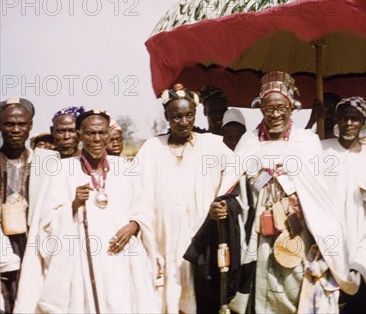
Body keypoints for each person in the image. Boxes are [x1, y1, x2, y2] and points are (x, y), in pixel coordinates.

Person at [209, 71, 359, 314]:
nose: (275, 114)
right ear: (261, 109)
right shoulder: (248, 142)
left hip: (297, 231)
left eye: (282, 108)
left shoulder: (306, 142)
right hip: (258, 233)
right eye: (269, 108)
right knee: (261, 288)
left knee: (296, 289)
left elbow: (319, 196)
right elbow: (231, 188)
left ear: (291, 108)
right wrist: (224, 204)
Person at [15, 110, 160, 313]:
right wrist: (73, 205)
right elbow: (45, 223)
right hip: (81, 262)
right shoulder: (61, 170)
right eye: (91, 134)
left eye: (102, 133)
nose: (97, 139)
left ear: (109, 135)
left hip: (122, 258)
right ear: (80, 135)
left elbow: (143, 207)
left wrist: (134, 225)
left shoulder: (125, 168)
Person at [136, 84, 232, 313]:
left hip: (202, 237)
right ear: (167, 117)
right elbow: (137, 192)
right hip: (164, 237)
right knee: (169, 295)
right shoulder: (152, 148)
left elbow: (237, 177)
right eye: (177, 116)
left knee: (202, 297)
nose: (183, 121)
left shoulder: (212, 145)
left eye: (189, 115)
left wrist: (225, 203)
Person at [321, 97, 366, 314]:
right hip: (327, 237)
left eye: (354, 119)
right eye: (344, 118)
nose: (349, 123)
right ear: (337, 120)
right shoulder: (321, 151)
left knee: (360, 299)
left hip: (363, 238)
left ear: (362, 122)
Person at [0, 98, 58, 313]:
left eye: (21, 124)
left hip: (35, 241)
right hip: (2, 242)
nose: (16, 129)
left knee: (32, 298)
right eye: (8, 124)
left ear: (30, 125)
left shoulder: (48, 160)